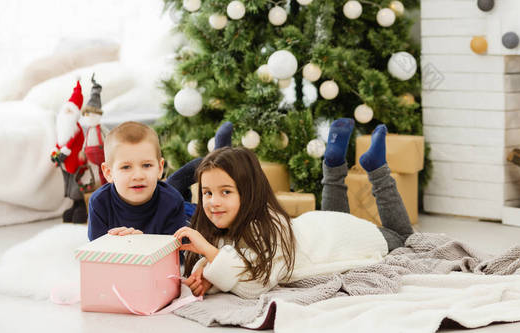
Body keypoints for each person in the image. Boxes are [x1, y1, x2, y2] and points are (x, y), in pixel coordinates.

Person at [174, 118, 414, 299]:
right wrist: (206, 275)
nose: (213, 201)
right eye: (207, 193)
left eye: (226, 192)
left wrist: (209, 254)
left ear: (248, 193)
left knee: (403, 237)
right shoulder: (237, 224)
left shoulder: (270, 228)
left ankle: (377, 170)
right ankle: (332, 162)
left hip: (344, 238)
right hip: (319, 224)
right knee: (339, 216)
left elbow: (255, 285)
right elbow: (236, 263)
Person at [87, 121, 186, 241]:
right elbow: (96, 254)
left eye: (147, 165)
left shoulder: (172, 202)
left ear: (160, 168)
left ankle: (180, 181)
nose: (138, 176)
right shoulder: (99, 202)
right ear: (108, 173)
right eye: (126, 167)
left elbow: (177, 256)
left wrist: (142, 244)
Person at [51, 79, 88, 224]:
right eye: (65, 109)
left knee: (75, 184)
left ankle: (80, 207)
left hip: (74, 161)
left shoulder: (76, 129)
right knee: (68, 183)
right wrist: (55, 150)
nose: (66, 112)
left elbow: (72, 144)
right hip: (64, 162)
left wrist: (65, 151)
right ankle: (74, 206)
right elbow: (60, 142)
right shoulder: (62, 128)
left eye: (70, 110)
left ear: (75, 113)